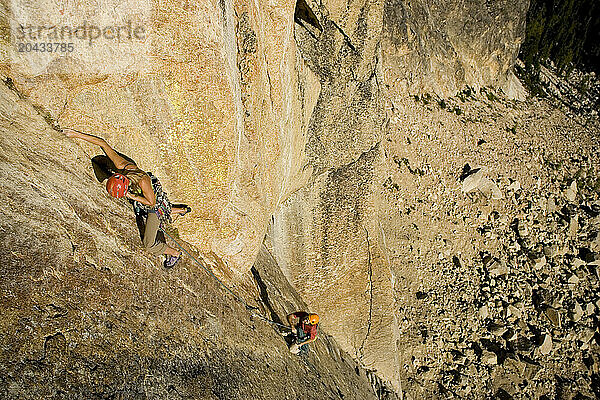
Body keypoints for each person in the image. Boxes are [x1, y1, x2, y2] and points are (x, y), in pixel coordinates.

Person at [62, 128, 190, 268]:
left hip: (154, 204)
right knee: (142, 206)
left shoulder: (141, 181)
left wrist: (132, 196)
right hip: (148, 193)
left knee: (148, 244)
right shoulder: (121, 165)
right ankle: (179, 210)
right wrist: (76, 134)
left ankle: (174, 253)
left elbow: (151, 202)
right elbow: (102, 143)